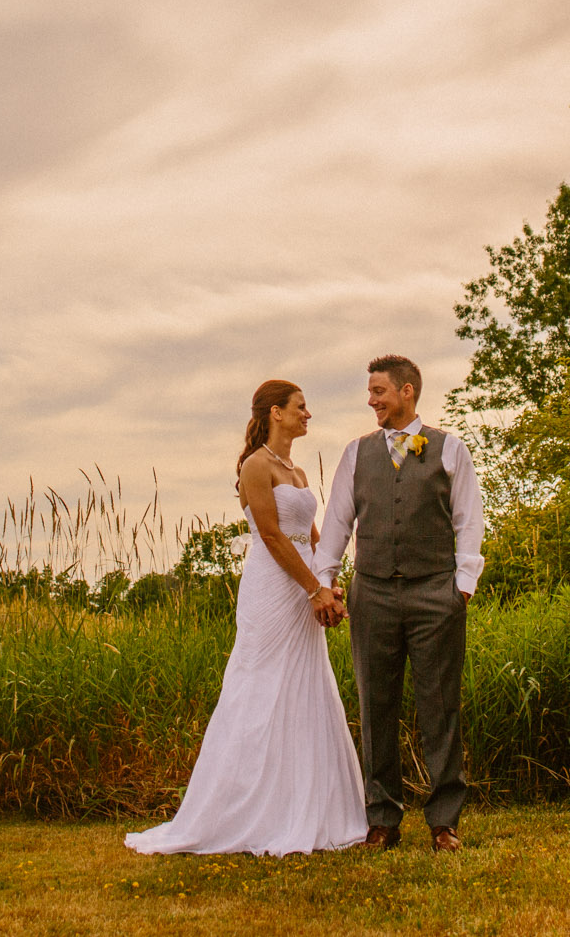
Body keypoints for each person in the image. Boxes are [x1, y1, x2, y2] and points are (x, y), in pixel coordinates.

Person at [124, 380, 366, 855]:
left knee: (305, 685)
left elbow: (312, 537)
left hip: (303, 588)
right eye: (300, 407)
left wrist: (329, 583)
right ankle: (240, 811)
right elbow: (273, 537)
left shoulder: (294, 471)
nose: (307, 414)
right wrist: (312, 587)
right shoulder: (256, 466)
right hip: (273, 589)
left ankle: (307, 805)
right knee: (259, 687)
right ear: (276, 413)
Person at [314, 354, 484, 853]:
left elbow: (468, 521)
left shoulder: (451, 450)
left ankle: (444, 822)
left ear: (407, 392)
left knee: (440, 706)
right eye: (371, 393)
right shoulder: (355, 454)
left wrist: (463, 587)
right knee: (376, 706)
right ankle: (382, 820)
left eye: (379, 392)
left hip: (437, 592)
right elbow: (339, 524)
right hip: (373, 594)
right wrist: (325, 580)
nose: (372, 401)